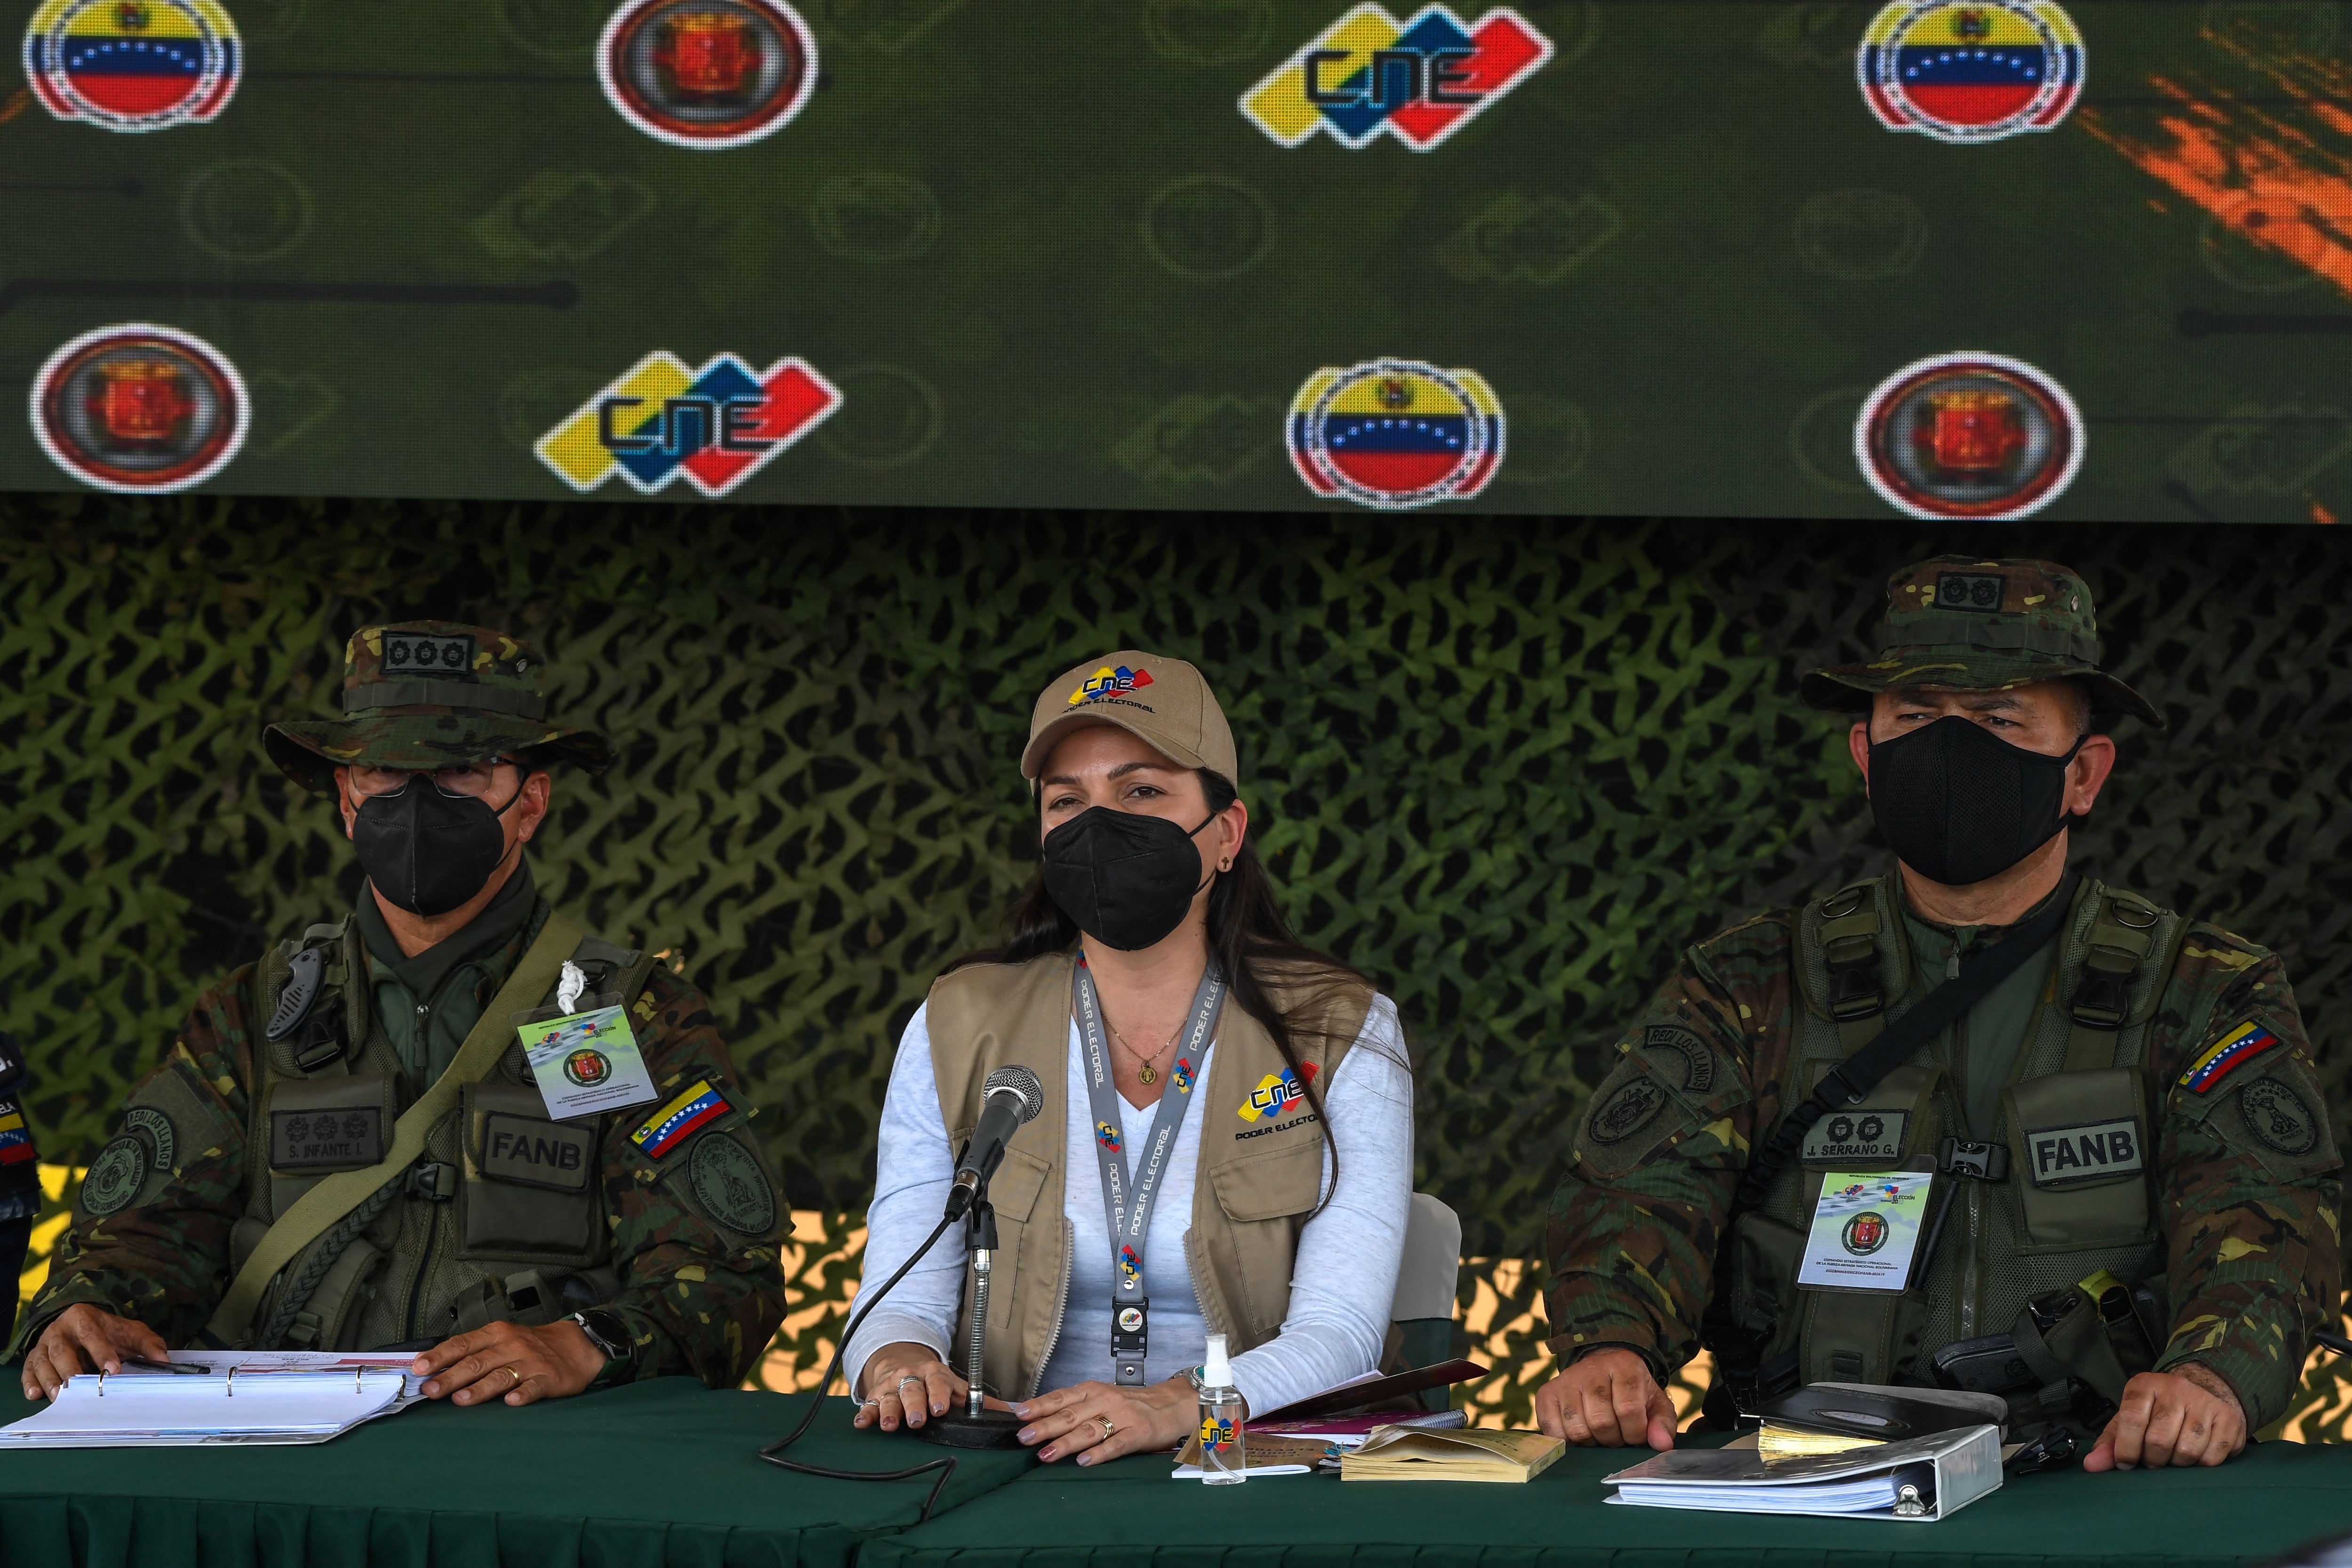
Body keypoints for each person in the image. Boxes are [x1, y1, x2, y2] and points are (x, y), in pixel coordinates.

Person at [1538, 557, 2341, 1472]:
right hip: (1802, 1474)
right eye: (1916, 719)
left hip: (2092, 1475)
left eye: (1998, 719)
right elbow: (1638, 1193)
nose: (1950, 748)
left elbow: (2268, 1213)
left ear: (2083, 774)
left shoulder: (2200, 988)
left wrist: (2213, 1374)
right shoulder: (1751, 982)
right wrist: (1610, 1347)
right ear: (1864, 754)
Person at [13, 621, 788, 1406]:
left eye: (463, 771)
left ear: (532, 803)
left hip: (525, 1450)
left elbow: (722, 1275)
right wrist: (88, 1310)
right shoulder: (257, 1014)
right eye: (386, 770)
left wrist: (587, 1342)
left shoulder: (593, 1019)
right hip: (276, 1449)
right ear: (347, 801)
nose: (419, 805)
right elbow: (141, 1238)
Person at [842, 652, 1414, 1464]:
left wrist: (1177, 1405)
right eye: (1066, 801)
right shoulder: (958, 1021)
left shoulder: (1342, 1026)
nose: (1097, 824)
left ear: (1226, 833)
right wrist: (897, 1360)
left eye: (1141, 791)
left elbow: (1343, 1331)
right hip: (1019, 1461)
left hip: (1243, 1469)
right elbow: (900, 1291)